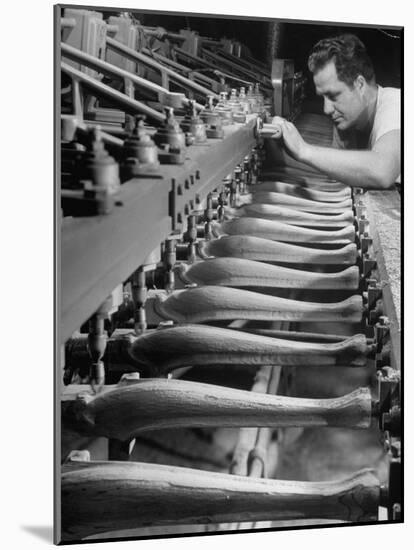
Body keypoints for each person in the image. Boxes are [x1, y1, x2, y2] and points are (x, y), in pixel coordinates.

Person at [272, 34, 401, 189]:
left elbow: (382, 172)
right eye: (323, 98)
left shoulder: (397, 104)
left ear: (359, 84)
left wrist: (303, 149)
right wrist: (278, 153)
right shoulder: (351, 122)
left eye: (333, 96)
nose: (327, 109)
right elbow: (330, 170)